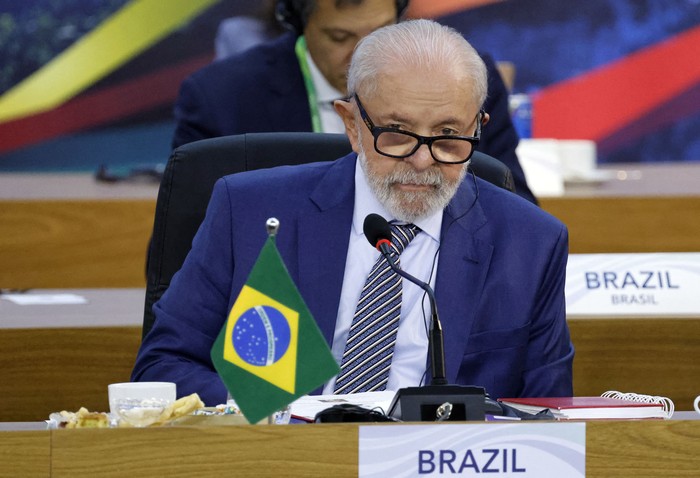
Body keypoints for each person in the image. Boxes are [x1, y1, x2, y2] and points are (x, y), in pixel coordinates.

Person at [133, 19, 573, 405]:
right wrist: (266, 412)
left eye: (448, 135)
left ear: (479, 127)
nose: (423, 161)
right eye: (397, 134)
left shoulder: (530, 243)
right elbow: (161, 369)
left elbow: (548, 417)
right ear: (351, 124)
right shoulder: (250, 211)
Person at [172, 0, 538, 205]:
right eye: (339, 36)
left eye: (380, 33)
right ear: (298, 24)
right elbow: (186, 245)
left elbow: (513, 206)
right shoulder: (220, 97)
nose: (363, 54)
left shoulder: (463, 80)